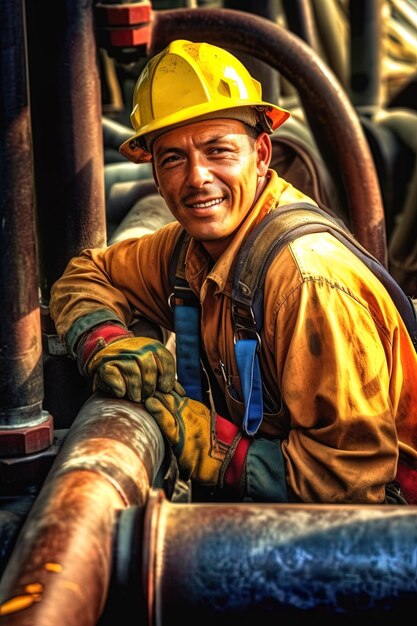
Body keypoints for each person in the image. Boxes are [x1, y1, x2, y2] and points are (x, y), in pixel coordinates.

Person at [50, 39, 417, 505]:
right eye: (173, 158)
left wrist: (211, 448)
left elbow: (347, 482)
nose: (197, 177)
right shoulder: (190, 250)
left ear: (261, 154)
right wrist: (105, 341)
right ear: (156, 177)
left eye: (218, 151)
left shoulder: (306, 283)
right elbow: (86, 274)